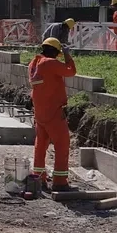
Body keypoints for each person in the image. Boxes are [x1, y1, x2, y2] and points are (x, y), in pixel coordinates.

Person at [28, 37, 77, 190]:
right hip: (54, 112)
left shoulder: (34, 64)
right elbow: (71, 71)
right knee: (62, 145)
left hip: (40, 113)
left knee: (40, 145)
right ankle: (60, 182)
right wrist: (68, 55)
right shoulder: (49, 63)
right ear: (55, 52)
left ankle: (39, 178)